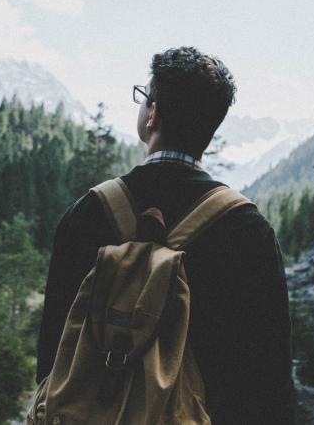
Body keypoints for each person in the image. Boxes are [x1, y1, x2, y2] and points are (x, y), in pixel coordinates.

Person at [36, 46, 295, 424]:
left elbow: (52, 352)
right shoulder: (248, 231)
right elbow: (269, 378)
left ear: (152, 114)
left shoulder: (89, 213)